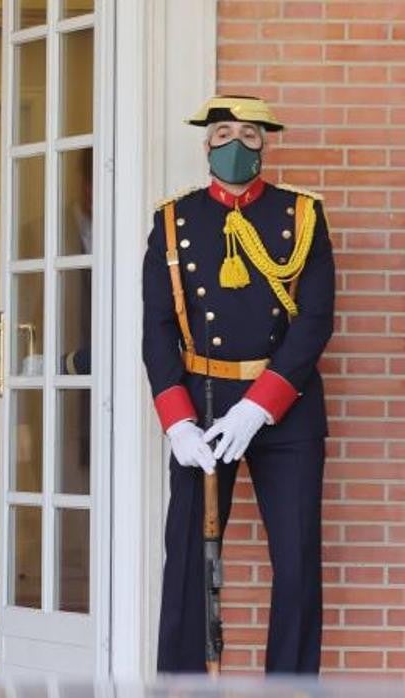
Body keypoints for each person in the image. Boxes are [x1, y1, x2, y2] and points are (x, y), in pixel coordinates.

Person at [143, 96, 334, 673]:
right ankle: (180, 683)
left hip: (284, 403)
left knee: (297, 560)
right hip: (201, 401)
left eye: (249, 134)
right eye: (223, 132)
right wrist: (176, 420)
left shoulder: (302, 215)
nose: (235, 144)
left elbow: (316, 319)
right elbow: (156, 327)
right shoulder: (173, 219)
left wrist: (259, 407)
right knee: (187, 562)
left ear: (264, 144)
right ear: (206, 144)